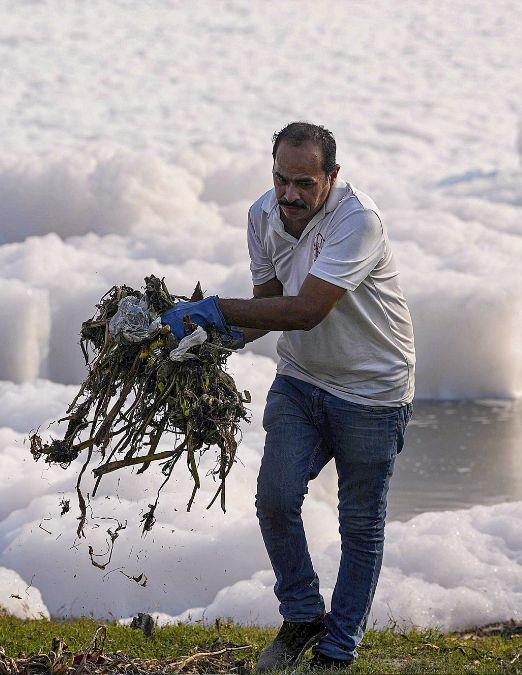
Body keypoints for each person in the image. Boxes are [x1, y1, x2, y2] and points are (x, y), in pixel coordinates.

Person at [160, 121, 416, 672]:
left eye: (304, 182)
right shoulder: (261, 216)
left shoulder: (357, 221)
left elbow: (304, 311)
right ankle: (302, 613)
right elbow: (269, 305)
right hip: (301, 380)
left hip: (373, 390)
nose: (290, 195)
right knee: (275, 498)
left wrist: (217, 308)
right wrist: (210, 338)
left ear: (332, 176)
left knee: (361, 524)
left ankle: (337, 649)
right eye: (281, 179)